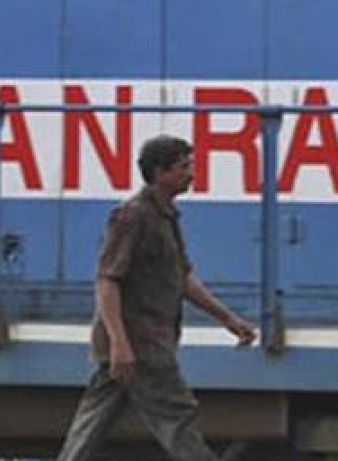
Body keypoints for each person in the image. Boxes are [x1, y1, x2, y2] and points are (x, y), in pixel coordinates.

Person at [56, 135, 257, 461]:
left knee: (91, 425)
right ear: (160, 173)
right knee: (178, 417)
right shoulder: (133, 216)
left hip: (139, 345)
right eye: (184, 167)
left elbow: (182, 278)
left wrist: (228, 319)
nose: (192, 173)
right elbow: (107, 280)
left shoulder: (166, 217)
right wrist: (120, 343)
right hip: (141, 343)